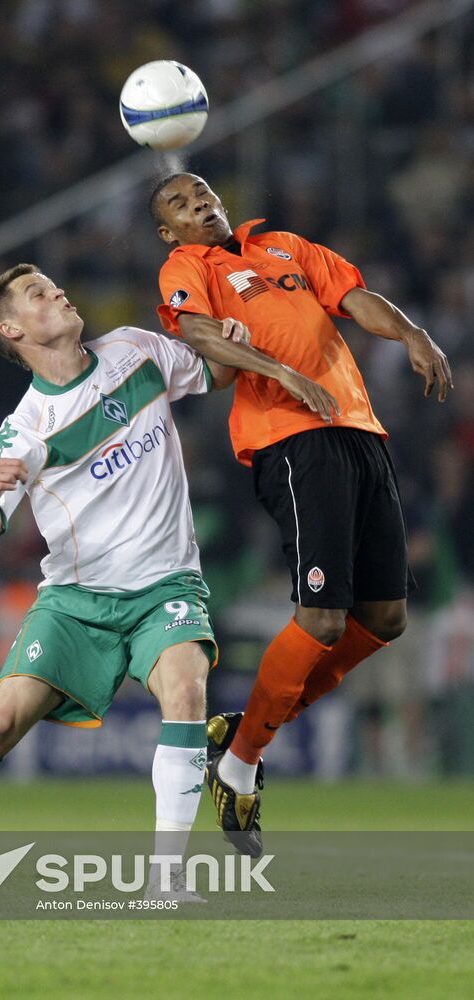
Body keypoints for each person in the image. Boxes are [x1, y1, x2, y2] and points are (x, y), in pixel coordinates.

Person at [0, 262, 318, 903]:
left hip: (165, 585)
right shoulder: (25, 428)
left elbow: (217, 373)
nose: (57, 291)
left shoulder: (134, 350)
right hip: (76, 601)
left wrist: (232, 338)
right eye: (37, 293)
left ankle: (165, 878)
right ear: (12, 328)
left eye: (54, 284)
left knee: (186, 689)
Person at [149, 172, 453, 850]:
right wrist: (282, 373)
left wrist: (408, 333)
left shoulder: (284, 247)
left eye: (201, 192)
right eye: (177, 203)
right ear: (168, 231)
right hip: (289, 442)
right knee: (318, 615)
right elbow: (199, 335)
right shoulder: (185, 266)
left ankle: (240, 742)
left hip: (359, 432)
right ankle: (243, 759)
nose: (196, 202)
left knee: (384, 617)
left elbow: (354, 297)